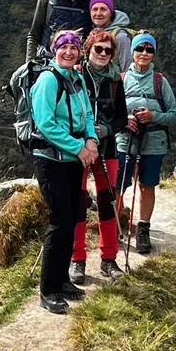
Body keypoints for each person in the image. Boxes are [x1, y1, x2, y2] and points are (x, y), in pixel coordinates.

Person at [30, 29, 98, 314]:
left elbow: (88, 114)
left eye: (73, 47)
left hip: (72, 160)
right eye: (63, 47)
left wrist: (92, 139)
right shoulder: (48, 79)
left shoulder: (77, 78)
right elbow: (45, 123)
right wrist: (79, 148)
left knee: (71, 220)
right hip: (52, 161)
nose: (68, 52)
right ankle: (48, 290)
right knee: (60, 222)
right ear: (54, 50)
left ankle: (62, 280)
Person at [116, 33, 176, 254]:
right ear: (132, 52)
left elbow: (174, 114)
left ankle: (143, 229)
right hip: (125, 140)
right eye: (140, 49)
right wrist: (124, 121)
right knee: (119, 184)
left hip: (153, 142)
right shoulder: (121, 79)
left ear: (153, 54)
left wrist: (153, 117)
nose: (144, 53)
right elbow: (109, 114)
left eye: (149, 49)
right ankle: (114, 225)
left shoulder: (160, 81)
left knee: (147, 184)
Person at [73, 27, 126, 280]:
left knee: (107, 202)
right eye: (99, 48)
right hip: (78, 147)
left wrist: (104, 129)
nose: (103, 53)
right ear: (88, 49)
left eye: (108, 50)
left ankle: (109, 259)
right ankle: (77, 260)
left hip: (107, 148)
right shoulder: (74, 75)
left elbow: (121, 118)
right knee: (78, 203)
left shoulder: (116, 81)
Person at [88, 0, 132, 66]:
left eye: (103, 9)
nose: (98, 14)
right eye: (95, 9)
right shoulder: (90, 33)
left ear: (111, 12)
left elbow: (126, 69)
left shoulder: (121, 37)